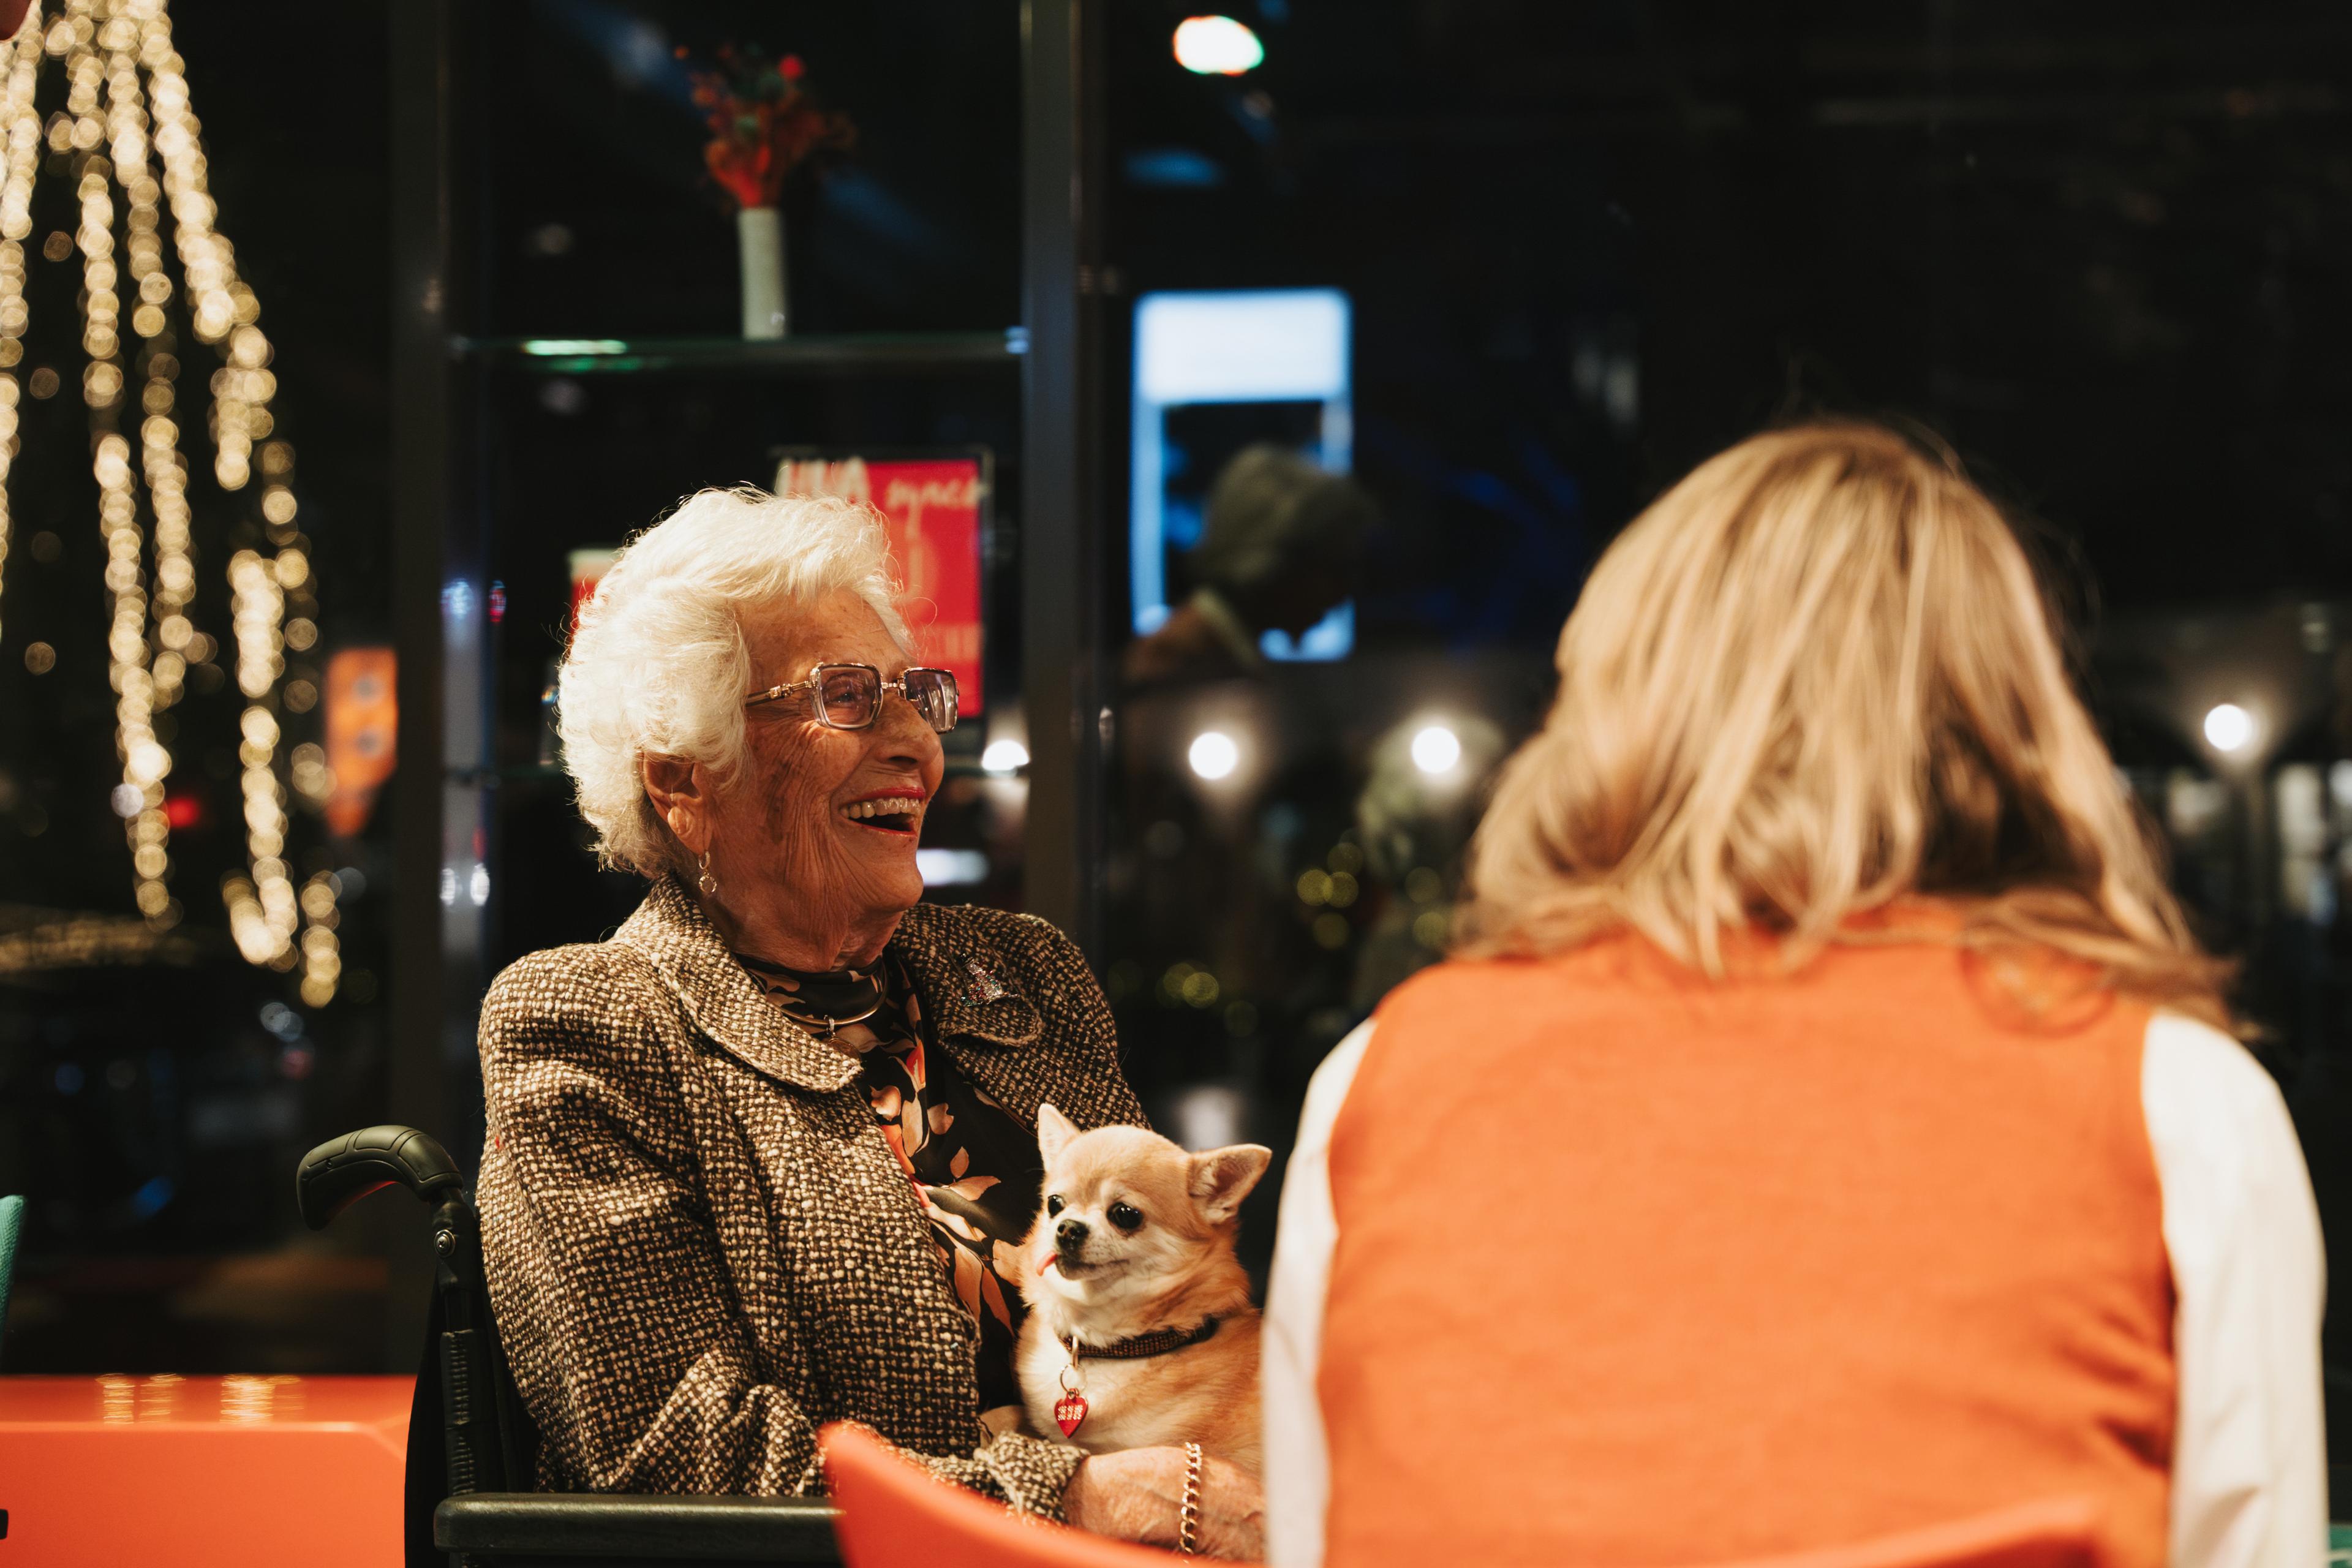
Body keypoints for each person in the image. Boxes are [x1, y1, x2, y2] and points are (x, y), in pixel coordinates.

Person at [1261, 423, 2325, 1568]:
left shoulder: (1383, 1080)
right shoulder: (2183, 1106)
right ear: (2015, 715)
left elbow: (1319, 1540)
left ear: (1614, 701)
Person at [476, 488, 1262, 1556]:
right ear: (684, 781)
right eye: (846, 698)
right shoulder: (593, 1028)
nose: (916, 747)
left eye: (916, 697)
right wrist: (1069, 1498)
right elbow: (674, 1454)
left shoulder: (1022, 974)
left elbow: (1183, 1304)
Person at [1124, 443, 1376, 687]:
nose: (1344, 592)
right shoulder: (1176, 660)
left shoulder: (1220, 653)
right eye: (1334, 568)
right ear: (1275, 560)